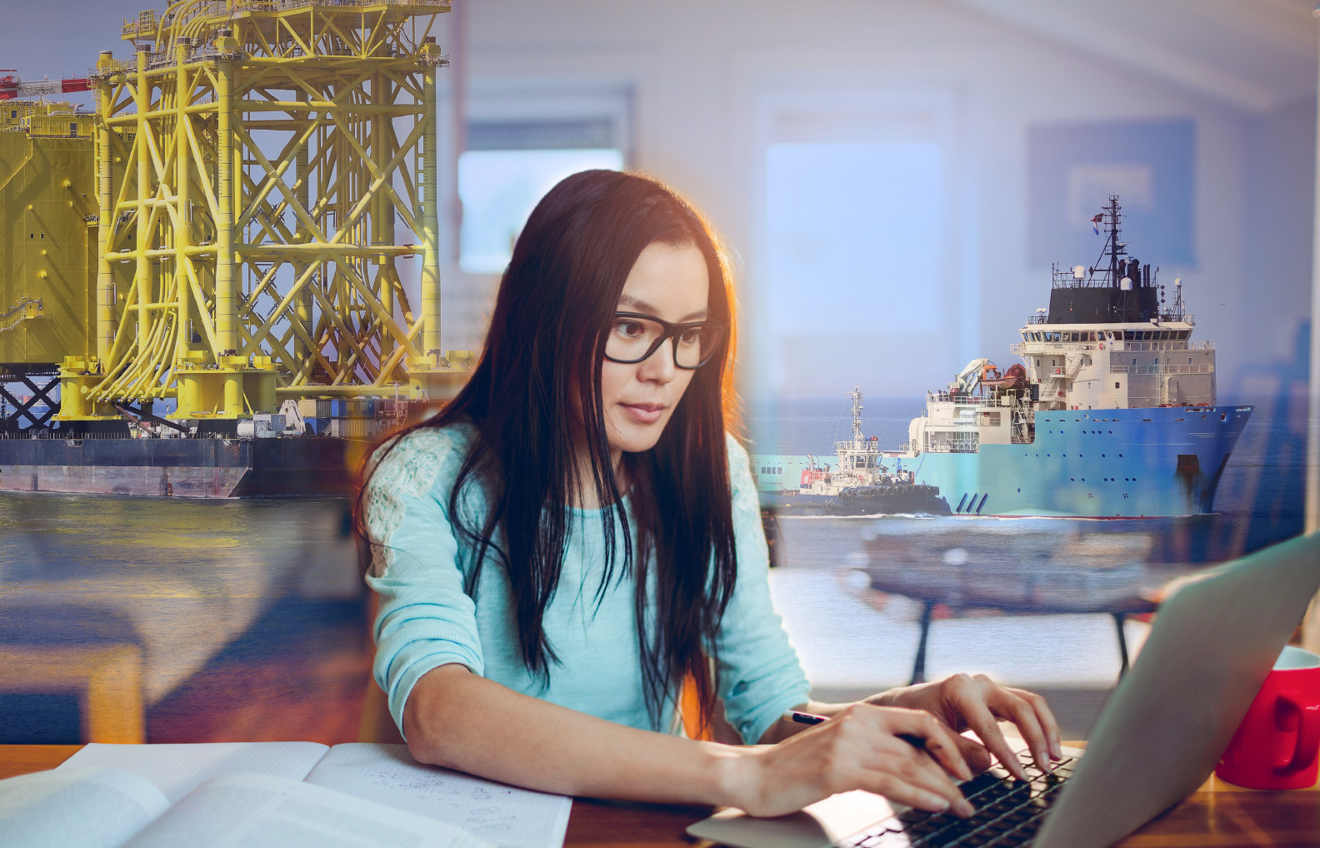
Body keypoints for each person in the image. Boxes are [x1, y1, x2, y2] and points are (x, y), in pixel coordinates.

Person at [356, 170, 1060, 818]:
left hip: (638, 830)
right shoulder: (423, 475)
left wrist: (906, 716)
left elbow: (772, 711)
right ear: (545, 320)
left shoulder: (712, 468)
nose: (665, 369)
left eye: (689, 334)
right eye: (631, 327)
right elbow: (438, 711)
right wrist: (744, 776)